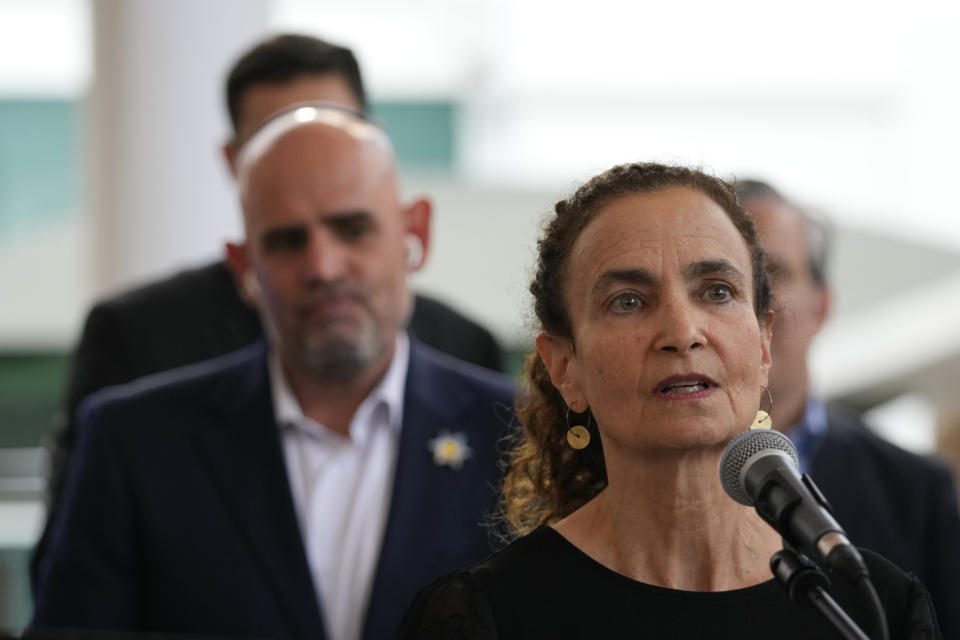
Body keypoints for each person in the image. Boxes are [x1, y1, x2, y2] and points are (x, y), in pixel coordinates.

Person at [31, 106, 515, 640]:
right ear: (244, 269)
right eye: (287, 241)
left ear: (414, 232)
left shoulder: (520, 435)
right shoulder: (134, 441)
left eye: (352, 229)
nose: (324, 267)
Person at [398, 163, 940, 638]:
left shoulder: (874, 608)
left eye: (717, 291)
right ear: (565, 364)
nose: (682, 331)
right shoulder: (484, 617)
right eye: (628, 301)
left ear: (764, 340)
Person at [46, 32, 504, 545]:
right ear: (233, 161)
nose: (324, 268)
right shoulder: (137, 346)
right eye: (275, 135)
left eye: (332, 126)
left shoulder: (471, 358)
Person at [735, 178, 960, 638]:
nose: (748, 299)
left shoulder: (916, 492)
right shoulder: (625, 480)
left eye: (771, 272)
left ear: (822, 307)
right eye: (723, 280)